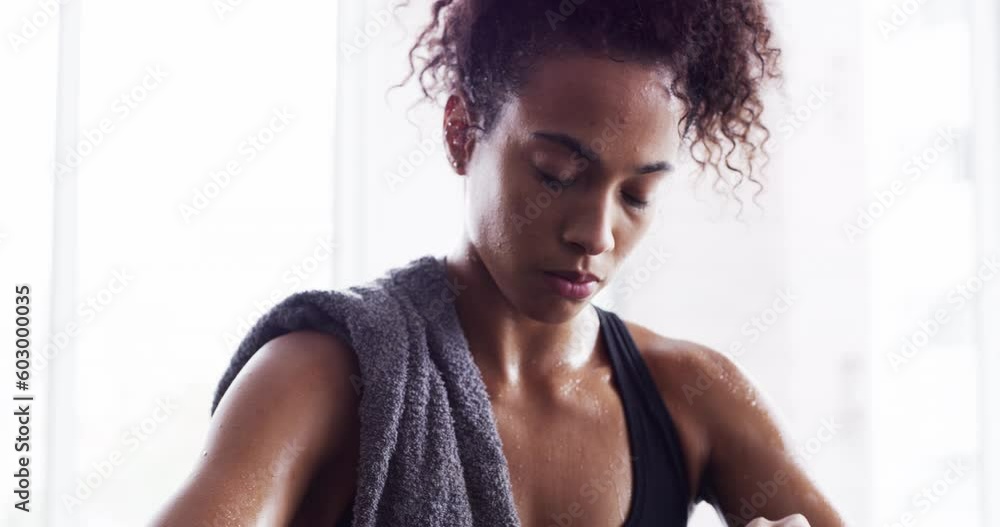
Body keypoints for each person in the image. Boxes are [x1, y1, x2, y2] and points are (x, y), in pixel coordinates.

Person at [152, 1, 846, 525]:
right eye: (555, 173)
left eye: (638, 193)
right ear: (462, 132)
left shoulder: (693, 396)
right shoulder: (319, 378)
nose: (596, 233)